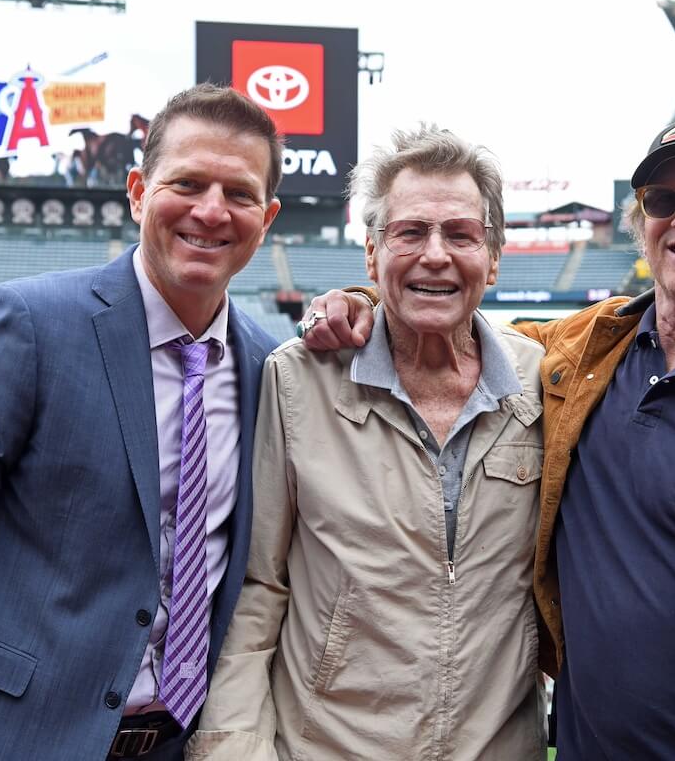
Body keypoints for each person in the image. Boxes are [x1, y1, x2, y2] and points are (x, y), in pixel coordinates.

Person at [301, 112, 675, 759]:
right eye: (662, 200)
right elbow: (448, 323)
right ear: (641, 225)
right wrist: (362, 299)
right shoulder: (572, 355)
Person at [0, 83, 284, 761]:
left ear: (268, 215)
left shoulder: (267, 366)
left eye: (240, 193)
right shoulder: (26, 325)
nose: (211, 211)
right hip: (14, 738)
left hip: (187, 744)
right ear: (137, 191)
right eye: (187, 182)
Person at [185, 125, 547, 761]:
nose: (435, 254)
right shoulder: (298, 379)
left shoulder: (544, 382)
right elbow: (256, 587)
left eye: (460, 234)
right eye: (409, 233)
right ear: (373, 256)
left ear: (493, 256)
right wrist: (233, 750)